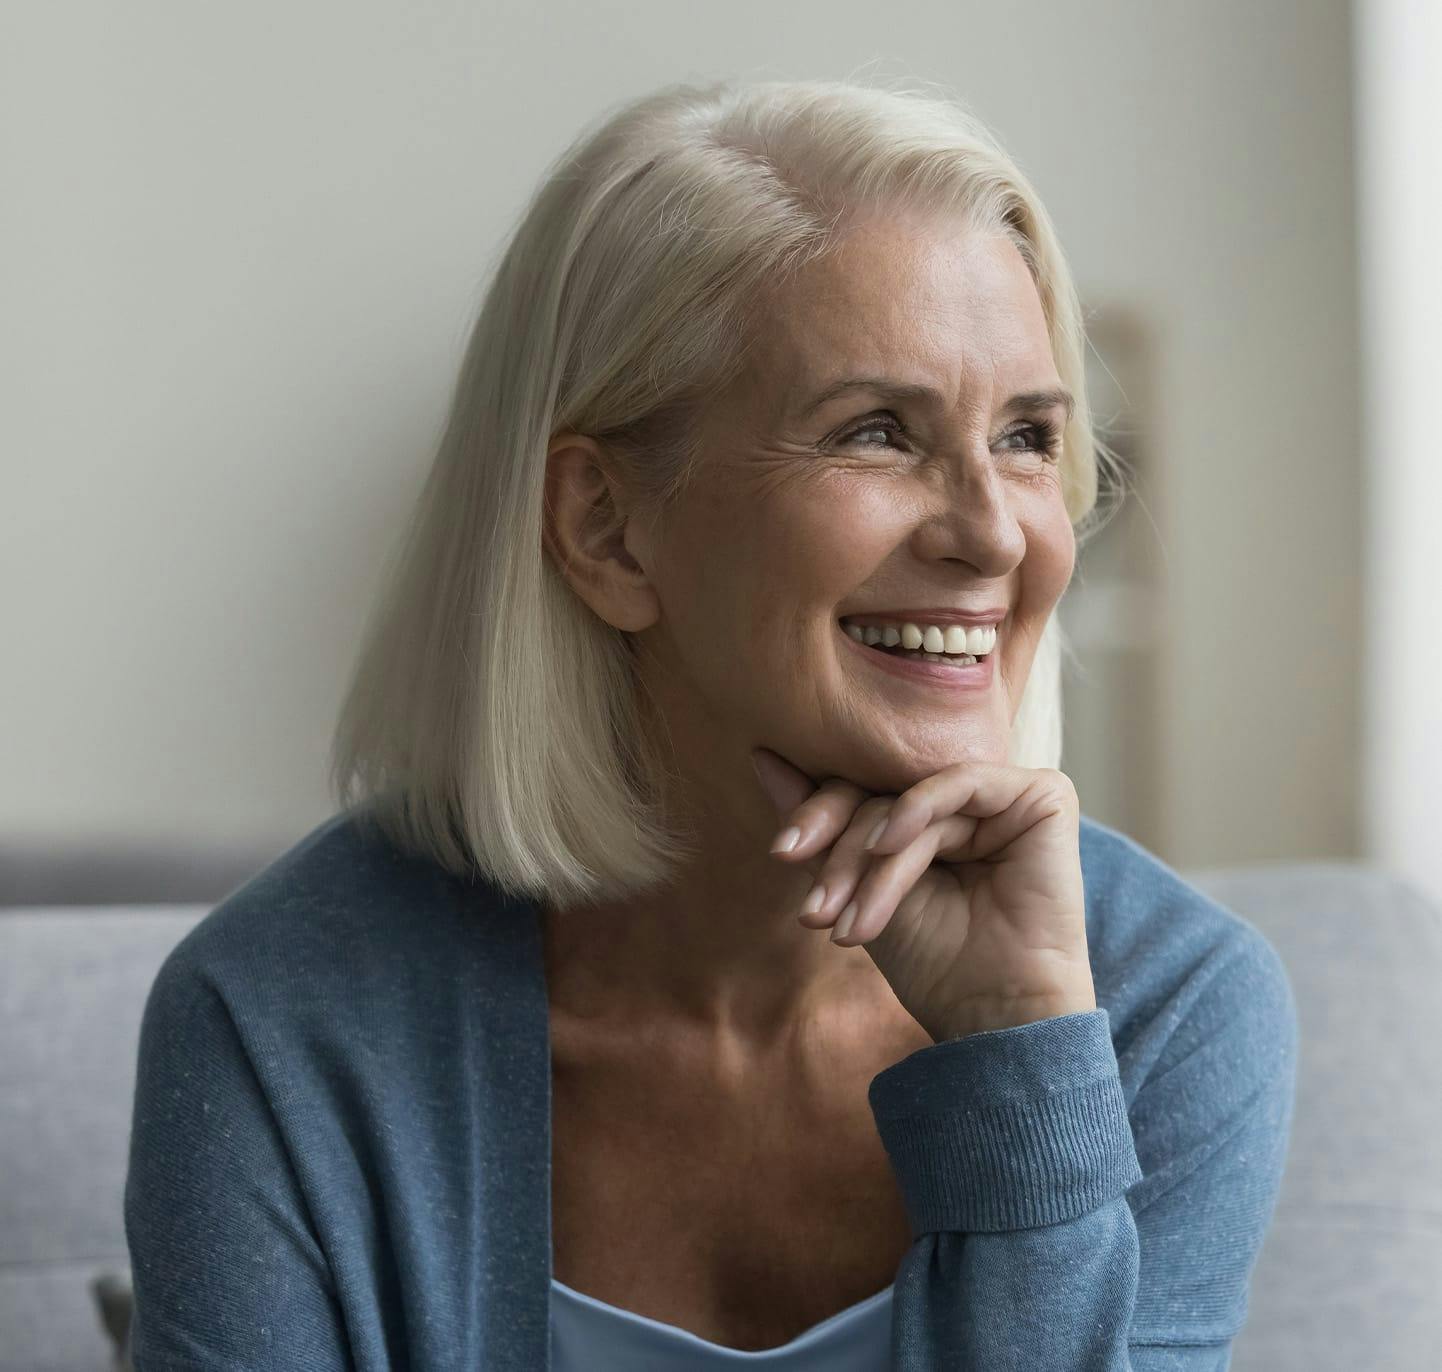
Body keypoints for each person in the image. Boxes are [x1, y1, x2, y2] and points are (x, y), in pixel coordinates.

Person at [124, 77, 1297, 1370]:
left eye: (1024, 437)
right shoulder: (288, 1018)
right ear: (605, 528)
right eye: (874, 432)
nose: (988, 533)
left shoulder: (1160, 1008)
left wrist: (1021, 1058)